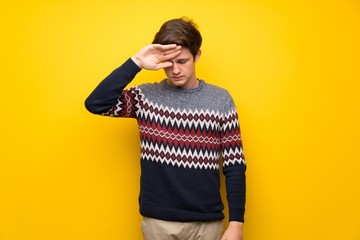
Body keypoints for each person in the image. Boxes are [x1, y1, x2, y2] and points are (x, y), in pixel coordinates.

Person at [85, 17, 246, 240]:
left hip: (207, 224)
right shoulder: (145, 97)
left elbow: (234, 164)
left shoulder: (221, 99)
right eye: (169, 63)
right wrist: (136, 62)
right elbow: (96, 103)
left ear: (197, 55)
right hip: (159, 224)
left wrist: (236, 223)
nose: (175, 70)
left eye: (182, 61)